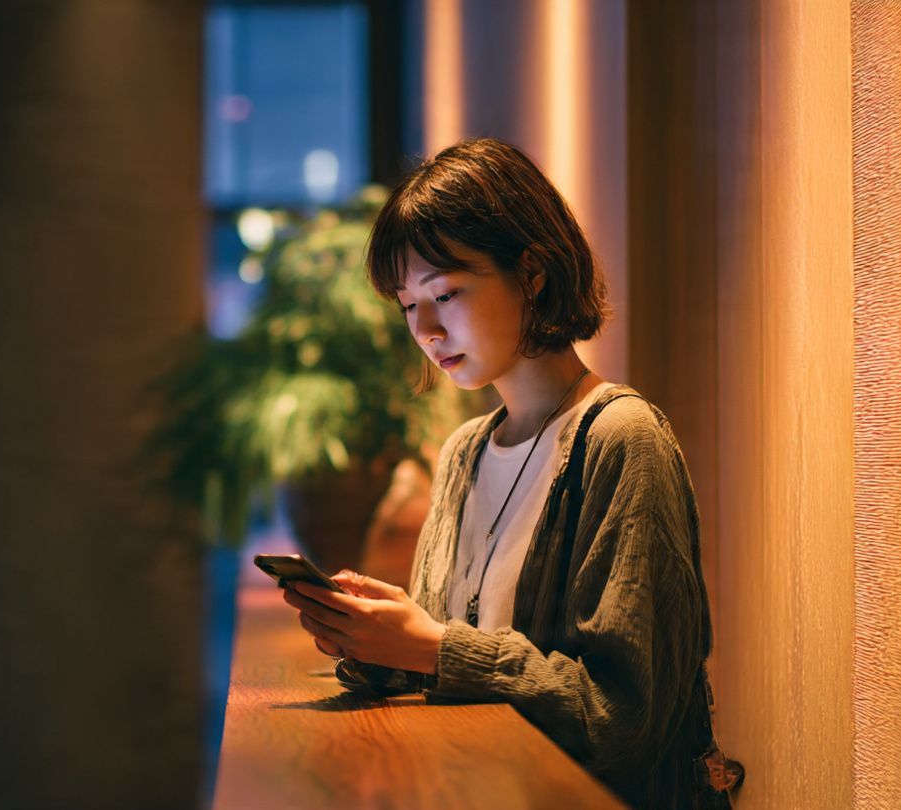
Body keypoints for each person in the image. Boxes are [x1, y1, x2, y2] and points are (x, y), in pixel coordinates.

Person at [279, 138, 742, 808]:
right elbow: (451, 666)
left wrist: (437, 649)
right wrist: (381, 644)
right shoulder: (465, 453)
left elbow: (623, 721)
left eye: (447, 292)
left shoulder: (619, 438)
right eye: (409, 305)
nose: (427, 329)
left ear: (533, 274)